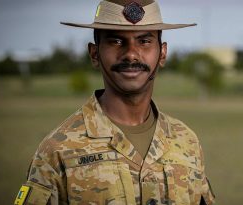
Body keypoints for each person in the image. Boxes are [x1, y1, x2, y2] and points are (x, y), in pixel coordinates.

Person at [14, 0, 215, 205]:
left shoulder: (187, 141)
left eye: (144, 41)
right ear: (94, 54)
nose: (131, 53)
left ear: (162, 53)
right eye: (116, 41)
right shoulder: (57, 150)